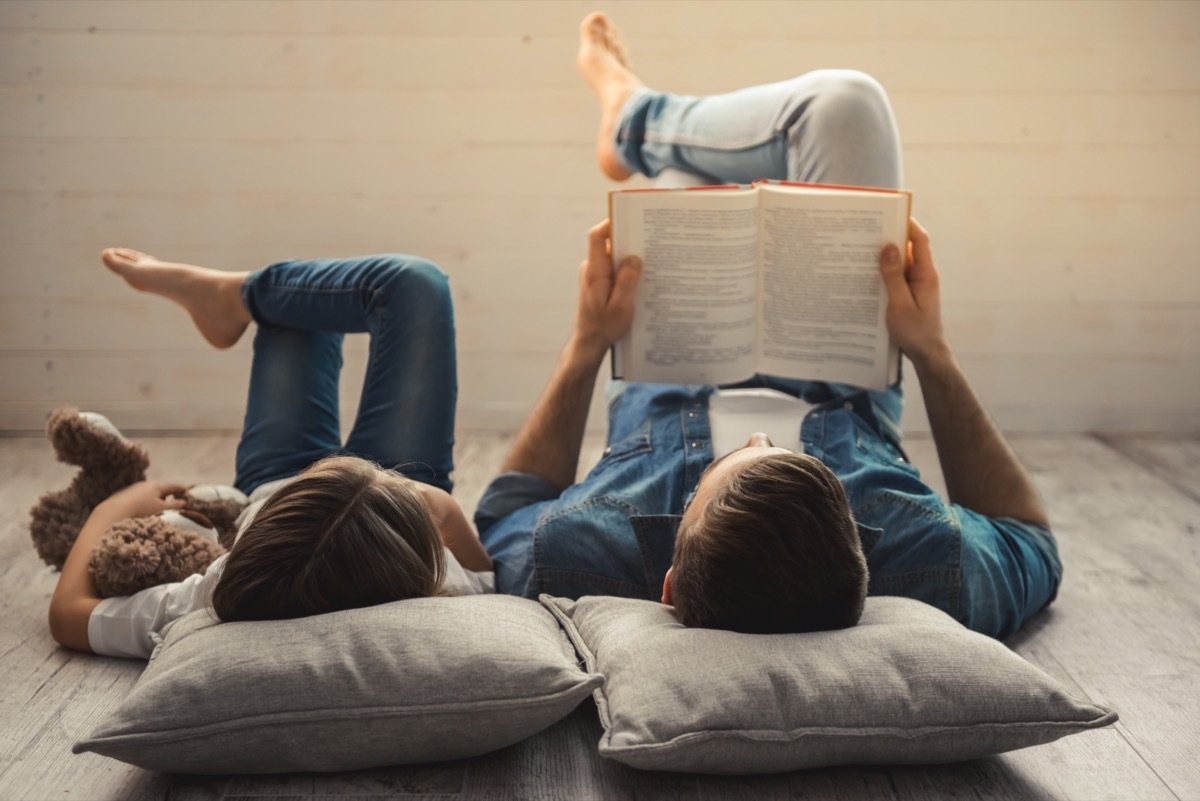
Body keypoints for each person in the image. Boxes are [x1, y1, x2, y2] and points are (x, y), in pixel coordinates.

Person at [473, 13, 1062, 640]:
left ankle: (632, 120)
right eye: (784, 458)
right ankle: (631, 119)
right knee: (845, 104)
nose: (756, 435)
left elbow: (508, 510)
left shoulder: (574, 555)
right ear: (864, 561)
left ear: (669, 582)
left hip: (674, 355)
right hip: (837, 364)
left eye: (728, 464)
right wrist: (931, 350)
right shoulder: (926, 561)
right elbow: (1030, 539)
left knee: (692, 182)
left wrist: (587, 344)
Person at [48, 249, 494, 659]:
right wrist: (435, 505)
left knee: (302, 309)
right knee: (408, 284)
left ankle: (233, 297)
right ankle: (235, 295)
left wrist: (114, 504)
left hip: (278, 478)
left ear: (244, 542)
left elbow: (68, 616)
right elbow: (485, 575)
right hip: (396, 488)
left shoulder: (219, 591)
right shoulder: (444, 584)